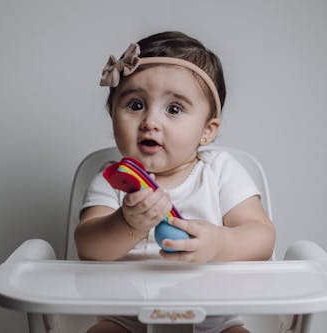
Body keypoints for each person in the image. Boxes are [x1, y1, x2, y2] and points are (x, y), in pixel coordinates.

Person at [75, 31, 276, 333]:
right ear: (111, 114)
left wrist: (221, 243)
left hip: (213, 320)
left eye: (174, 109)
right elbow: (87, 246)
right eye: (135, 105)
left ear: (207, 131)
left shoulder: (220, 172)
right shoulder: (114, 180)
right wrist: (127, 223)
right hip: (126, 319)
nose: (150, 121)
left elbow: (262, 236)